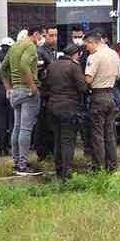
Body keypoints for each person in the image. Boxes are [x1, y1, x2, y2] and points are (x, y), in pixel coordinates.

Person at [1, 27, 43, 176]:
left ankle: (17, 161)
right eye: (41, 35)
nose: (41, 39)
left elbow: (3, 68)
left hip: (16, 91)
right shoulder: (30, 46)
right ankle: (23, 165)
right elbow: (25, 64)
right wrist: (33, 86)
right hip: (27, 91)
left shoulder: (14, 46)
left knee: (17, 127)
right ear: (36, 35)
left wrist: (8, 87)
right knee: (25, 129)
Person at [45, 43, 88, 181]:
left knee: (57, 140)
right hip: (69, 108)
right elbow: (82, 87)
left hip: (53, 107)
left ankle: (58, 171)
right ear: (76, 54)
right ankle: (66, 173)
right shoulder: (74, 67)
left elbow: (46, 85)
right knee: (68, 141)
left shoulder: (52, 65)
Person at [84, 31, 120, 172]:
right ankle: (112, 166)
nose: (86, 48)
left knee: (97, 134)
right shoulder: (114, 54)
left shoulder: (94, 56)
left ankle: (98, 167)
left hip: (98, 96)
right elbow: (118, 76)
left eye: (87, 45)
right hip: (111, 95)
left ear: (92, 42)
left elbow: (88, 79)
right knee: (110, 133)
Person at [34, 26, 57, 160]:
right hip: (44, 92)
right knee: (42, 124)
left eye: (55, 35)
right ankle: (42, 152)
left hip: (52, 92)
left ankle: (50, 150)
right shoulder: (40, 52)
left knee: (51, 123)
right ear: (45, 36)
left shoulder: (53, 51)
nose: (54, 38)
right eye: (51, 35)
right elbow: (40, 73)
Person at [71, 26, 94, 158]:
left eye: (79, 36)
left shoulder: (88, 51)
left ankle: (88, 147)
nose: (77, 39)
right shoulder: (71, 50)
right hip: (76, 91)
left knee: (87, 120)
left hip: (86, 89)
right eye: (75, 36)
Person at [0, 37, 15, 156]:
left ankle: (1, 146)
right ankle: (8, 144)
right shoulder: (13, 59)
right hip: (11, 90)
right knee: (11, 119)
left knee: (0, 119)